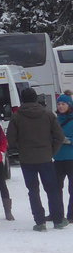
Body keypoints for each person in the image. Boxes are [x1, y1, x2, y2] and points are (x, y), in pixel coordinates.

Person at [6, 87, 66, 231]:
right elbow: (59, 137)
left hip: (27, 159)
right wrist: (52, 151)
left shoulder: (17, 116)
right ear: (36, 98)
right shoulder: (48, 114)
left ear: (22, 99)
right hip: (45, 158)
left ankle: (40, 222)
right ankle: (58, 220)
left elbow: (11, 140)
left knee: (33, 191)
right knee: (52, 189)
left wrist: (20, 149)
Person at [53, 94, 73, 224]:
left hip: (71, 158)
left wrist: (68, 140)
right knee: (55, 188)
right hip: (58, 159)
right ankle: (57, 213)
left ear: (69, 105)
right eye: (59, 104)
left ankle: (71, 214)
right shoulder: (54, 120)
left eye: (63, 104)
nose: (60, 106)